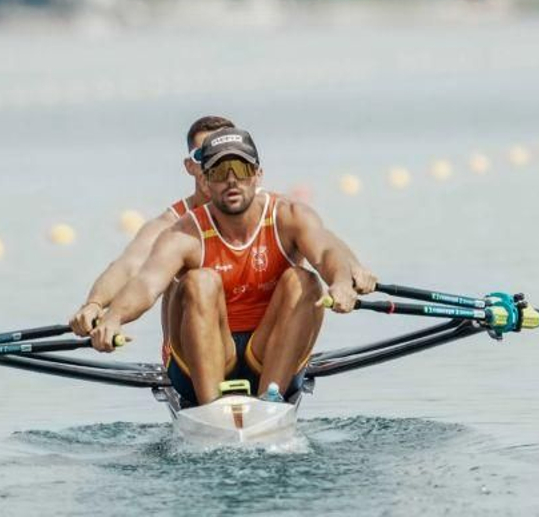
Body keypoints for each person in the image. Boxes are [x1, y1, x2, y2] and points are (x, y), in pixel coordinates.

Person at [89, 127, 376, 407]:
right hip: (202, 359)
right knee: (200, 281)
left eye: (241, 169)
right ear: (205, 181)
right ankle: (211, 408)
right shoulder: (185, 232)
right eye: (218, 172)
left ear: (258, 175)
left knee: (305, 281)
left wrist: (340, 281)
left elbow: (327, 250)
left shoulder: (288, 216)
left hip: (268, 352)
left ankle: (271, 399)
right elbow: (145, 284)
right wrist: (112, 318)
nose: (231, 181)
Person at [67, 115, 237, 340]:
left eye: (223, 153)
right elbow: (130, 266)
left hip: (258, 348)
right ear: (189, 166)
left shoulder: (272, 213)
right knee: (191, 279)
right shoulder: (172, 224)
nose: (212, 163)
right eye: (202, 155)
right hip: (193, 353)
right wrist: (94, 304)